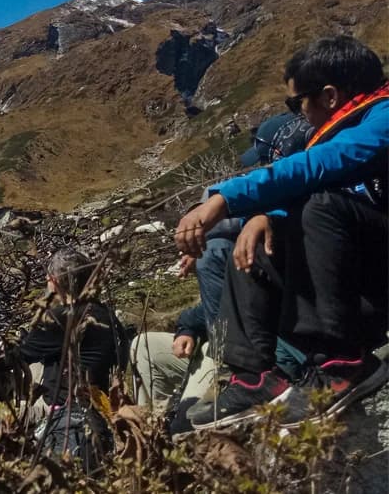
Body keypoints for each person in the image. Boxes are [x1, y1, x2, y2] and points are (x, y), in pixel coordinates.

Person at [174, 35, 389, 429]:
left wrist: (226, 199)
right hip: (365, 272)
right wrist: (265, 216)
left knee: (319, 203)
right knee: (254, 242)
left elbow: (323, 165)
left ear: (329, 96)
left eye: (297, 103)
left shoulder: (383, 117)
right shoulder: (346, 126)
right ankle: (253, 378)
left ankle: (342, 362)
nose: (299, 114)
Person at [132, 113, 310, 429]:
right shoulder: (265, 227)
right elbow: (229, 304)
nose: (261, 173)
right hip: (226, 339)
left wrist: (216, 230)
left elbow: (249, 304)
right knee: (142, 347)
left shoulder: (284, 231)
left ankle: (236, 376)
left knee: (185, 426)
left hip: (263, 351)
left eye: (266, 164)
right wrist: (188, 326)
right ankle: (148, 428)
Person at [21, 249, 127, 473]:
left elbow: (21, 354)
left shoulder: (63, 317)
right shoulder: (105, 313)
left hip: (65, 407)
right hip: (103, 404)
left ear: (54, 281)